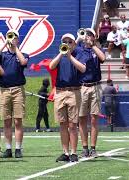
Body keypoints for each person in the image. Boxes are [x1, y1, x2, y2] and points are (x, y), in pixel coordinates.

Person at [49, 33, 87, 162]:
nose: (67, 44)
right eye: (65, 42)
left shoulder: (79, 54)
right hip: (60, 92)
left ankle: (74, 152)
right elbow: (51, 66)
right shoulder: (60, 56)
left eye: (69, 42)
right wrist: (62, 54)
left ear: (74, 44)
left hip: (73, 91)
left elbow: (82, 69)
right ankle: (65, 152)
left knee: (73, 124)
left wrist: (70, 56)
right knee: (62, 124)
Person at [0, 29, 29, 158]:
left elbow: (24, 62)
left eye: (14, 37)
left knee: (18, 121)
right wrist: (4, 44)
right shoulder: (2, 55)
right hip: (4, 90)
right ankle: (8, 148)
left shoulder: (22, 53)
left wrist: (15, 47)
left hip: (18, 89)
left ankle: (18, 148)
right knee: (7, 121)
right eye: (10, 36)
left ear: (18, 39)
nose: (11, 39)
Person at [78, 28, 106, 158]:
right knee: (82, 117)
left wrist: (93, 45)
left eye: (90, 35)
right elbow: (69, 48)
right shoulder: (79, 50)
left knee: (94, 118)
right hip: (82, 86)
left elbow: (103, 58)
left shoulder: (96, 49)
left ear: (94, 37)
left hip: (95, 86)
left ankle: (93, 147)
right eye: (86, 35)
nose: (87, 36)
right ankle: (84, 147)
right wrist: (79, 39)